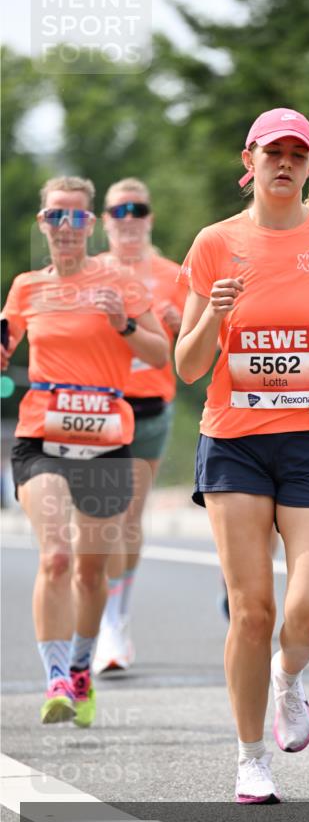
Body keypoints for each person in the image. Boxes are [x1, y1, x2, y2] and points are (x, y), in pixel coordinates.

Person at [175, 107, 309, 803]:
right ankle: (248, 759)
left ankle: (289, 677)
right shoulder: (214, 243)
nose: (285, 163)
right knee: (253, 610)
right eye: (273, 152)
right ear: (251, 159)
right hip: (235, 442)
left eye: (297, 154)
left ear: (306, 167)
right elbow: (186, 366)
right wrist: (213, 310)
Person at [0, 176, 168, 725]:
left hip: (105, 442)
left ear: (90, 224)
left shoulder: (120, 282)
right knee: (56, 557)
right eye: (56, 217)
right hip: (41, 439)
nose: (66, 227)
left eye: (76, 218)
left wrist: (121, 323)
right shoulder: (27, 287)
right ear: (42, 223)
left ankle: (79, 668)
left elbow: (161, 353)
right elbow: (4, 343)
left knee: (91, 573)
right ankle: (54, 680)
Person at [93, 178, 187, 675]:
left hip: (149, 406)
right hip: (97, 405)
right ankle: (100, 617)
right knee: (97, 520)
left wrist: (181, 320)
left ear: (149, 217)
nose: (128, 216)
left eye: (138, 208)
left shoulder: (173, 274)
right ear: (105, 219)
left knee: (127, 519)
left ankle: (116, 623)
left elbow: (201, 344)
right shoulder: (87, 274)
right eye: (118, 209)